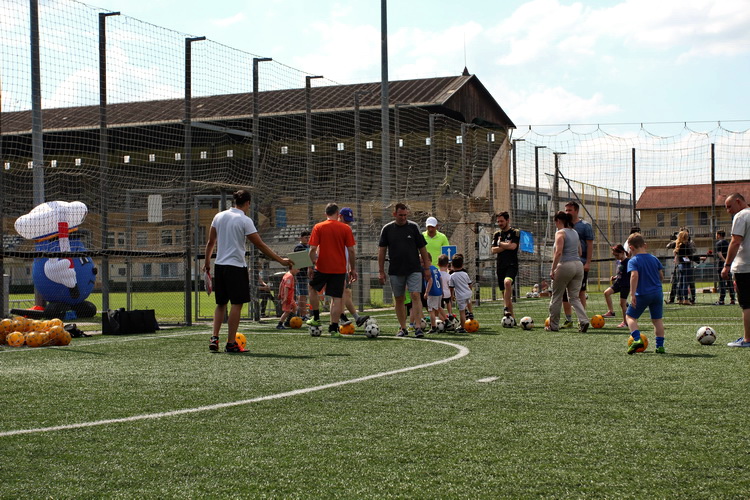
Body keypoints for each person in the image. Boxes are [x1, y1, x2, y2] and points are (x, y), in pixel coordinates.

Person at [204, 189, 291, 353]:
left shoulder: (219, 216)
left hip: (220, 266)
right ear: (248, 203)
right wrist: (280, 260)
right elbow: (260, 244)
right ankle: (231, 343)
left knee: (221, 304)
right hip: (236, 267)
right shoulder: (245, 220)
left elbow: (210, 242)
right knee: (236, 304)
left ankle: (214, 338)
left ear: (234, 201)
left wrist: (207, 263)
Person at [378, 202, 431, 338]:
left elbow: (423, 249)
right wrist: (381, 271)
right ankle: (403, 328)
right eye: (400, 215)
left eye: (405, 215)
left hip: (414, 269)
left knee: (415, 295)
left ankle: (418, 327)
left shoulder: (413, 227)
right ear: (394, 214)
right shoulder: (387, 229)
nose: (403, 218)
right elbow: (382, 251)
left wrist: (426, 268)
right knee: (399, 298)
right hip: (395, 270)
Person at [306, 203, 357, 337]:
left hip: (322, 267)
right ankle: (333, 329)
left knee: (312, 288)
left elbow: (312, 249)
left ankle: (316, 317)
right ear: (338, 214)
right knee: (337, 298)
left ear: (325, 214)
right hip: (339, 269)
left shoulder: (318, 227)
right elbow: (351, 250)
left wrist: (310, 266)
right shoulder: (345, 228)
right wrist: (352, 269)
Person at [546, 211, 589, 332]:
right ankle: (584, 320)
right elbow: (580, 252)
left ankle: (553, 326)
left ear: (558, 221)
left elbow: (558, 252)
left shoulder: (560, 233)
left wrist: (553, 269)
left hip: (565, 265)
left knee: (556, 296)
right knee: (574, 297)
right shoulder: (575, 232)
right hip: (578, 266)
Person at [626, 233, 666, 354]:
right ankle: (660, 346)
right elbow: (661, 276)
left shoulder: (633, 261)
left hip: (643, 294)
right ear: (645, 245)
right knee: (657, 320)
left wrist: (632, 294)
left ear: (631, 248)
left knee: (630, 317)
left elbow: (634, 276)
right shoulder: (654, 258)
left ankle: (637, 339)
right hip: (657, 293)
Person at [721, 193, 750, 347]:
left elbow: (735, 241)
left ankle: (747, 339)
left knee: (747, 304)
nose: (728, 211)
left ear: (738, 202)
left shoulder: (741, 216)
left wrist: (727, 265)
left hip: (745, 267)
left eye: (729, 206)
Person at [561, 201, 593, 328]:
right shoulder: (563, 225)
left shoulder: (585, 226)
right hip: (565, 263)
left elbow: (590, 245)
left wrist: (588, 262)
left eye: (570, 210)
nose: (567, 212)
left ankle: (582, 319)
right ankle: (568, 319)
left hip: (581, 263)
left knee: (580, 292)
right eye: (566, 210)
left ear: (576, 211)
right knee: (564, 292)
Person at [336, 207, 370, 327]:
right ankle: (340, 318)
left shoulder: (346, 230)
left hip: (343, 267)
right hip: (336, 267)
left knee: (346, 293)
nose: (348, 223)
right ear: (339, 216)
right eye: (346, 220)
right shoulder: (335, 229)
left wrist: (350, 267)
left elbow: (349, 250)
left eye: (349, 221)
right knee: (339, 295)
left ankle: (355, 317)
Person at [491, 211, 520, 321]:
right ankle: (512, 318)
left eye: (502, 221)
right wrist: (506, 245)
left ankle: (505, 308)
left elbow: (513, 247)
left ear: (508, 220)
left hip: (512, 265)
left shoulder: (515, 232)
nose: (500, 223)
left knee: (507, 282)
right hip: (500, 266)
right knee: (505, 294)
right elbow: (493, 250)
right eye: (498, 221)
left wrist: (500, 244)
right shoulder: (496, 234)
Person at [602, 244, 630, 328]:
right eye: (614, 255)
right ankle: (611, 312)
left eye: (617, 255)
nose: (616, 257)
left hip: (625, 285)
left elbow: (631, 273)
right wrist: (615, 277)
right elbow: (621, 273)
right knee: (606, 293)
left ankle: (625, 322)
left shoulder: (628, 262)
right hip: (618, 283)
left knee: (622, 304)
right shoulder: (619, 262)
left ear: (622, 252)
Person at [448, 253, 473, 333]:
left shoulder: (452, 276)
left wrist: (452, 296)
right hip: (468, 293)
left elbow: (451, 288)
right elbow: (470, 284)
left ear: (452, 265)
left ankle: (462, 327)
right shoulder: (465, 274)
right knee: (468, 302)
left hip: (460, 296)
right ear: (462, 265)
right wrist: (470, 291)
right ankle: (470, 313)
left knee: (462, 312)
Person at [423, 253, 447, 333]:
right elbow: (440, 278)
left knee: (431, 310)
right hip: (439, 291)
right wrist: (441, 290)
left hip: (432, 292)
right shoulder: (435, 268)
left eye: (422, 261)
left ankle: (433, 327)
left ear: (428, 260)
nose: (422, 263)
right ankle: (447, 320)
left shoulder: (428, 270)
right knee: (439, 307)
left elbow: (430, 281)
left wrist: (426, 292)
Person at [714, 229, 736, 305]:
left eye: (716, 234)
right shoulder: (728, 243)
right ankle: (732, 299)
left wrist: (725, 262)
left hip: (721, 264)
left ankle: (721, 299)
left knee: (721, 282)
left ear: (719, 235)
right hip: (729, 265)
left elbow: (720, 255)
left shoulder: (718, 244)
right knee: (729, 282)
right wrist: (728, 263)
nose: (716, 236)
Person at [293, 230, 311, 320]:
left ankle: (301, 313)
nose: (308, 239)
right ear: (301, 238)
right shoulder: (299, 247)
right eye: (306, 237)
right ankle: (303, 314)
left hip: (307, 274)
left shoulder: (308, 246)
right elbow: (300, 262)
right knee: (302, 294)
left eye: (309, 237)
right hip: (301, 274)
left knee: (304, 294)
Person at [673, 230, 695, 305]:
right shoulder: (685, 246)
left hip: (680, 265)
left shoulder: (678, 245)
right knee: (685, 282)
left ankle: (680, 299)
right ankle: (686, 299)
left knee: (680, 282)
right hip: (686, 265)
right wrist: (698, 258)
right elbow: (689, 256)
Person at [438, 254, 456, 329]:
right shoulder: (448, 275)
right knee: (448, 302)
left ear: (438, 264)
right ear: (447, 265)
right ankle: (450, 313)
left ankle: (443, 319)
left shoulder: (437, 274)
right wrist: (452, 294)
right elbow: (450, 285)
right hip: (447, 293)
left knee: (440, 307)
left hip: (440, 293)